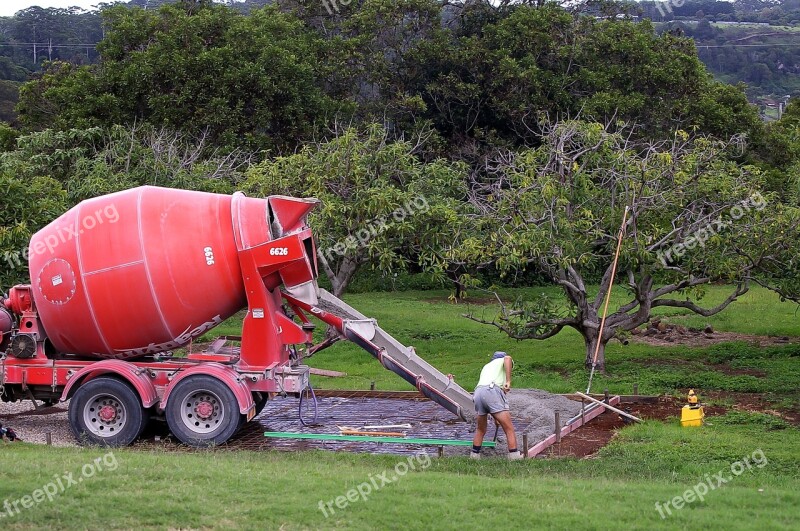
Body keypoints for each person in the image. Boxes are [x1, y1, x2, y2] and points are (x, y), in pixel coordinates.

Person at [471, 351, 521, 460]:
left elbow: (490, 403)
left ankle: (474, 456)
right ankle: (514, 456)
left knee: (480, 429)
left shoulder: (487, 366)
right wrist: (508, 380)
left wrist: (496, 418)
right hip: (492, 390)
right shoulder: (503, 360)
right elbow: (508, 358)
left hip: (478, 393)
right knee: (509, 428)